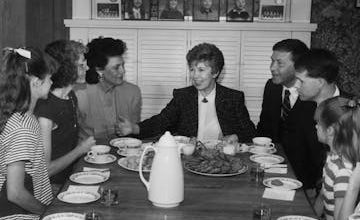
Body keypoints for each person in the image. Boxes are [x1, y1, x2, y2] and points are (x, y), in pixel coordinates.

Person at [117, 43, 256, 143]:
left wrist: (236, 137)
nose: (195, 76)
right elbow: (161, 122)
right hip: (189, 158)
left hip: (223, 158)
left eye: (201, 70)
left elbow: (250, 133)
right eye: (191, 69)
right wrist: (133, 128)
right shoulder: (182, 97)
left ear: (215, 72)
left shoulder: (233, 98)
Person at [257, 39, 324, 191]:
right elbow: (264, 128)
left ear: (299, 66)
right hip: (271, 176)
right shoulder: (271, 87)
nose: (272, 67)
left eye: (279, 63)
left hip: (307, 184)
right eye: (272, 61)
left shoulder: (314, 94)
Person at [0, 48, 56, 220]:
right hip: (20, 218)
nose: (52, 82)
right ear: (35, 82)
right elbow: (15, 193)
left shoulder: (24, 117)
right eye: (49, 78)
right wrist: (48, 212)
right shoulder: (23, 127)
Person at [34, 40, 96, 189]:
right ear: (66, 69)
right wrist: (81, 150)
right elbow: (46, 170)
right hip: (51, 187)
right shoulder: (46, 109)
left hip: (70, 177)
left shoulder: (71, 97)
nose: (87, 67)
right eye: (81, 65)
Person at [75, 37, 142, 140]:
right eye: (116, 67)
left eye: (123, 65)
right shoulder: (78, 94)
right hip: (88, 153)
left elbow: (135, 133)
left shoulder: (133, 92)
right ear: (99, 70)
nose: (123, 71)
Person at [313, 96, 360, 220]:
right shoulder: (332, 158)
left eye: (318, 123)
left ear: (330, 131)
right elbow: (322, 196)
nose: (316, 127)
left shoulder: (342, 171)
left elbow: (339, 219)